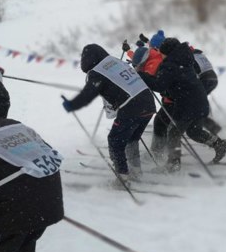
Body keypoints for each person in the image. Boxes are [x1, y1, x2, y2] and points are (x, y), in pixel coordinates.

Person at [62, 44, 156, 183]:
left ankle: (123, 177)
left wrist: (72, 104)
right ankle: (135, 171)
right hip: (148, 103)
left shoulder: (98, 72)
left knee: (115, 141)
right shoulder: (115, 61)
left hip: (132, 107)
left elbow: (88, 94)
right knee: (131, 139)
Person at [139, 38, 226, 171]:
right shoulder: (185, 59)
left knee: (174, 132)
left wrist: (141, 75)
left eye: (162, 53)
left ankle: (173, 164)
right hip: (200, 100)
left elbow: (159, 85)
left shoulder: (170, 64)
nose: (161, 56)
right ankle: (219, 144)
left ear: (167, 52)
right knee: (194, 131)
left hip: (187, 104)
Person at [0, 105, 64, 252]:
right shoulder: (13, 124)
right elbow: (45, 151)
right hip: (48, 198)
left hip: (15, 210)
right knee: (23, 244)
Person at [190, 46, 222, 135]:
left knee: (195, 104)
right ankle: (209, 123)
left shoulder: (191, 57)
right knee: (200, 101)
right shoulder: (199, 55)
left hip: (205, 79)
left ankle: (211, 126)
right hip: (213, 78)